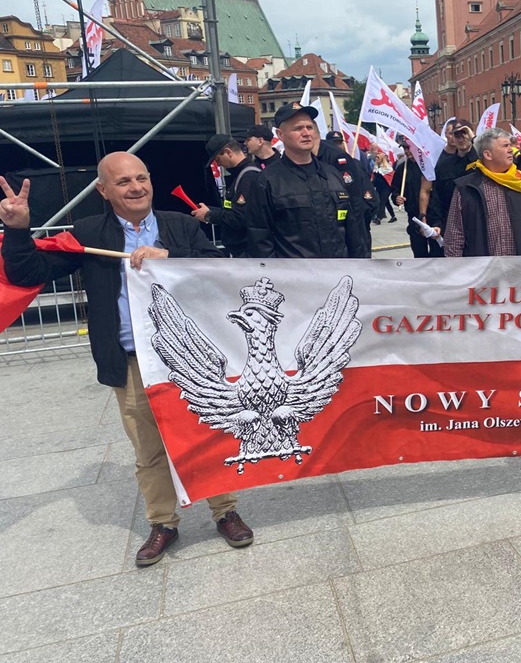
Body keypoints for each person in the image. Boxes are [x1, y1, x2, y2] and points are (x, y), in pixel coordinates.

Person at [0, 153, 254, 566]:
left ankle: (225, 511)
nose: (136, 187)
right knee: (149, 449)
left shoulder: (180, 225)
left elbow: (217, 271)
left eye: (141, 178)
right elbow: (29, 273)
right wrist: (17, 230)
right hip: (131, 359)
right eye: (123, 182)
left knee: (205, 435)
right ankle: (163, 522)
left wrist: (170, 258)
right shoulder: (89, 233)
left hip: (188, 358)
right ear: (103, 190)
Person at [246, 102, 370, 258]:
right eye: (298, 128)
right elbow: (260, 239)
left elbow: (353, 230)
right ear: (280, 135)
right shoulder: (266, 181)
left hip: (337, 269)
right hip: (295, 271)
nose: (306, 133)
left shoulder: (332, 174)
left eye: (309, 127)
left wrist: (360, 265)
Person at [444, 128, 521, 257]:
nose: (511, 150)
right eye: (505, 146)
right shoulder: (466, 188)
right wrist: (457, 267)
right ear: (488, 155)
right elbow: (454, 236)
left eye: (510, 145)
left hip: (519, 267)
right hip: (481, 268)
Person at [190, 134, 261, 257]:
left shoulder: (248, 177)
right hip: (245, 251)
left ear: (228, 152)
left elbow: (240, 218)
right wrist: (210, 210)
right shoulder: (242, 175)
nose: (218, 165)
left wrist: (209, 215)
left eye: (218, 160)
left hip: (249, 252)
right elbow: (233, 210)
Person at [421, 119, 477, 256]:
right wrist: (437, 223)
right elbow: (437, 198)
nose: (461, 139)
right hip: (452, 222)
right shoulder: (444, 165)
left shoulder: (482, 160)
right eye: (457, 135)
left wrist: (473, 138)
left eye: (464, 133)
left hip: (477, 222)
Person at [391, 141, 433, 257]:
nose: (407, 151)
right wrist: (396, 198)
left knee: (436, 251)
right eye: (405, 148)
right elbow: (395, 190)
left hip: (432, 215)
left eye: (409, 148)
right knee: (418, 252)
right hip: (413, 217)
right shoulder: (402, 169)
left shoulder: (429, 166)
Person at [371, 147, 397, 224]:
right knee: (386, 202)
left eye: (378, 157)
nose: (376, 158)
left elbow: (391, 178)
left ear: (382, 158)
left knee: (381, 202)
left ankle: (379, 218)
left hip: (387, 187)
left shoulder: (387, 168)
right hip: (379, 187)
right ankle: (393, 216)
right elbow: (375, 177)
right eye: (376, 157)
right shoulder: (376, 167)